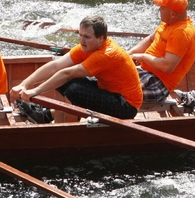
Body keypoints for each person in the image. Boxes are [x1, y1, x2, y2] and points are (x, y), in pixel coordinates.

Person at [10, 15, 143, 122]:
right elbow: (56, 65)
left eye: (87, 37)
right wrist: (24, 85)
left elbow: (68, 73)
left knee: (74, 89)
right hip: (109, 92)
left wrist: (35, 91)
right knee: (63, 80)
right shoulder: (88, 46)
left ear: (101, 38)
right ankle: (50, 116)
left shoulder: (105, 54)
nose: (82, 40)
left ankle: (64, 121)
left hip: (126, 105)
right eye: (80, 35)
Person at [128, 0, 195, 102]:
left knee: (115, 89)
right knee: (106, 77)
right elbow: (150, 39)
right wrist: (128, 55)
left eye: (162, 7)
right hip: (144, 71)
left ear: (173, 14)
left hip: (158, 83)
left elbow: (166, 67)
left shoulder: (181, 33)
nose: (159, 9)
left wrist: (141, 57)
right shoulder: (168, 22)